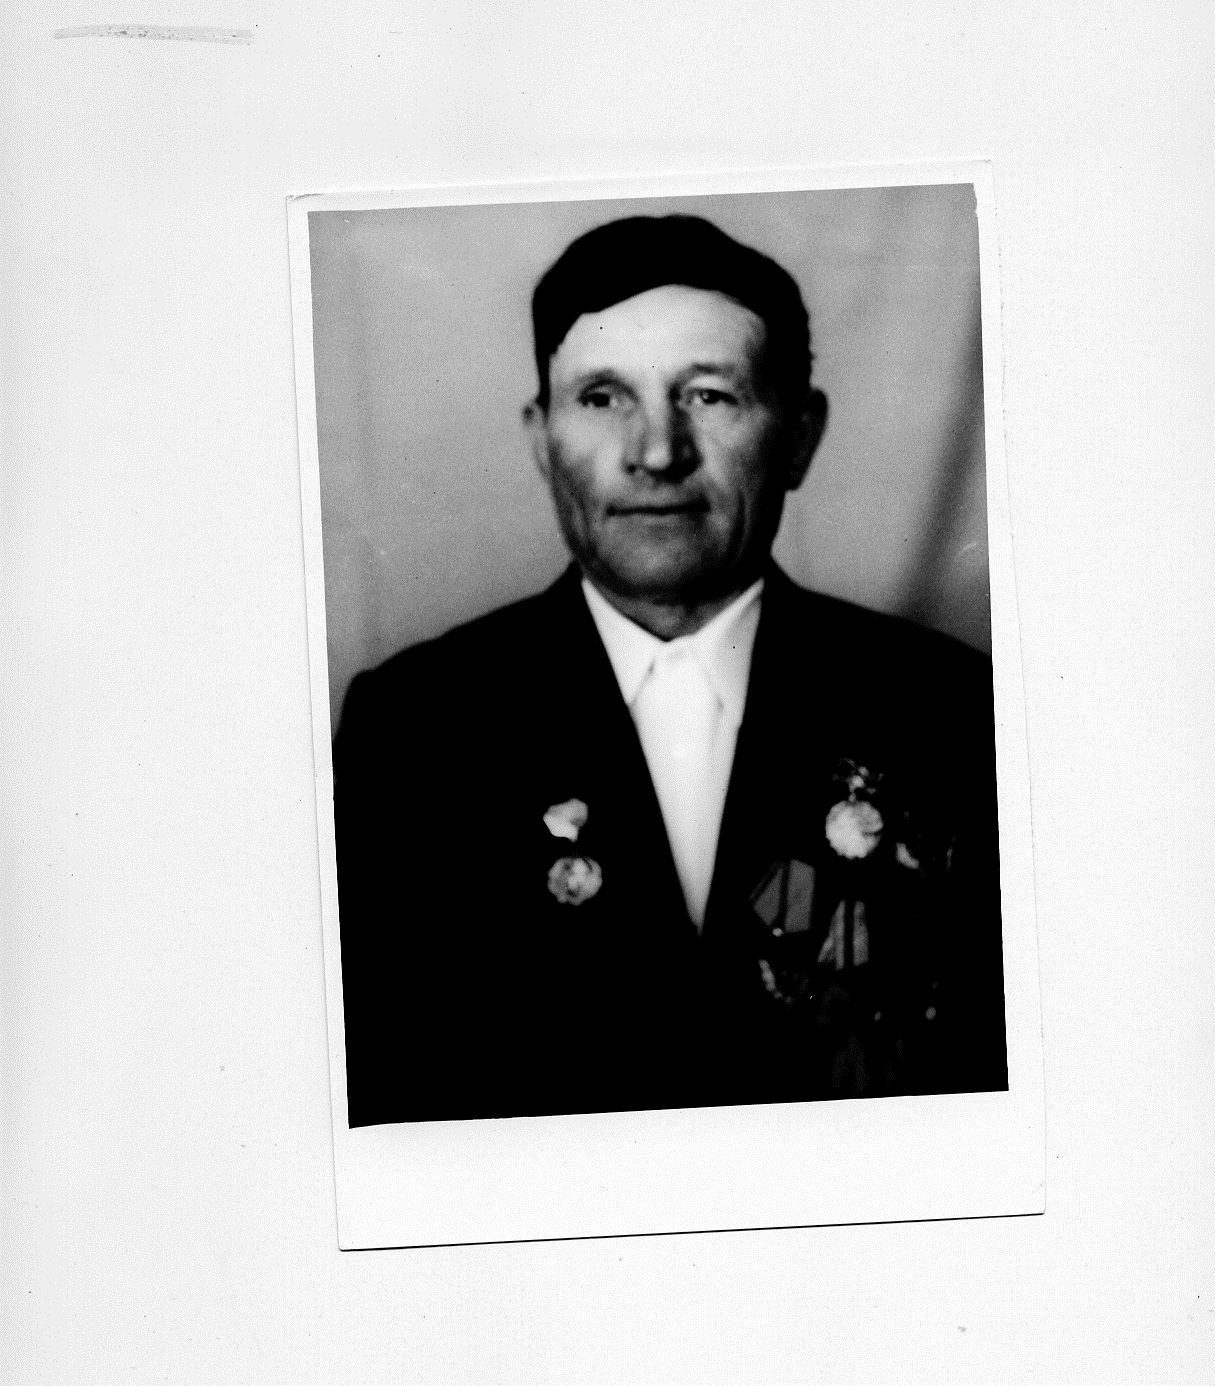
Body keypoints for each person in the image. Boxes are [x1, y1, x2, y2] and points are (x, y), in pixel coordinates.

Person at [333, 213, 1007, 1127]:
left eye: (709, 395)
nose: (656, 452)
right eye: (602, 397)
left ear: (799, 434)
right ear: (540, 437)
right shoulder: (413, 731)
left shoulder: (950, 713)